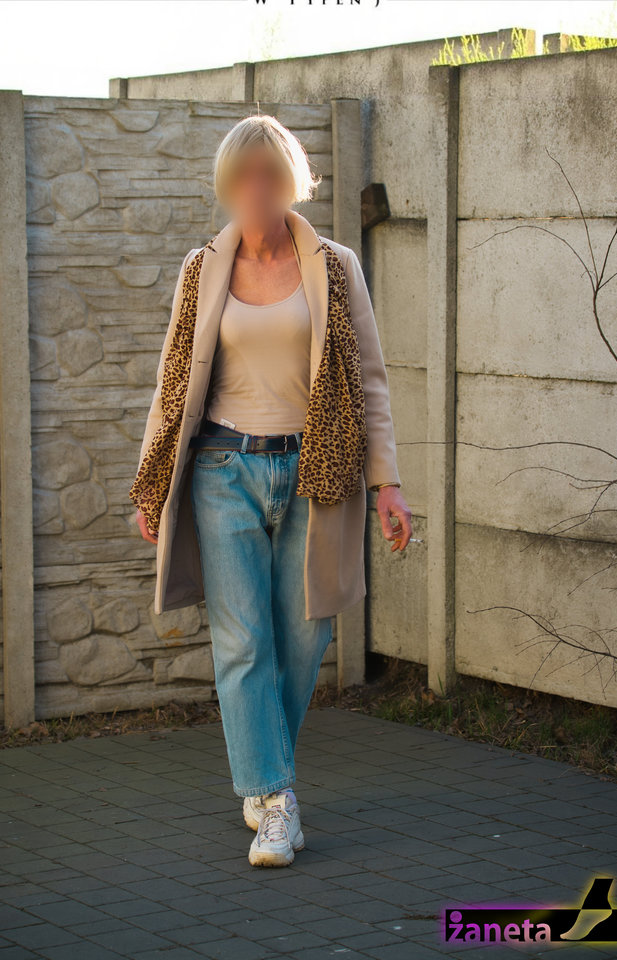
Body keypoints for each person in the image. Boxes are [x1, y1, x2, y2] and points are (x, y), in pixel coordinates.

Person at [131, 114, 412, 868]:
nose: (256, 188)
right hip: (223, 472)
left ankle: (263, 777)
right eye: (243, 175)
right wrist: (153, 482)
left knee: (304, 637)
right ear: (227, 184)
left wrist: (387, 483)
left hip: (317, 472)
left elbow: (371, 383)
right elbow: (171, 383)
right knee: (243, 642)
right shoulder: (202, 270)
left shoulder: (335, 266)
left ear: (293, 182)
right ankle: (276, 803)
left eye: (271, 174)